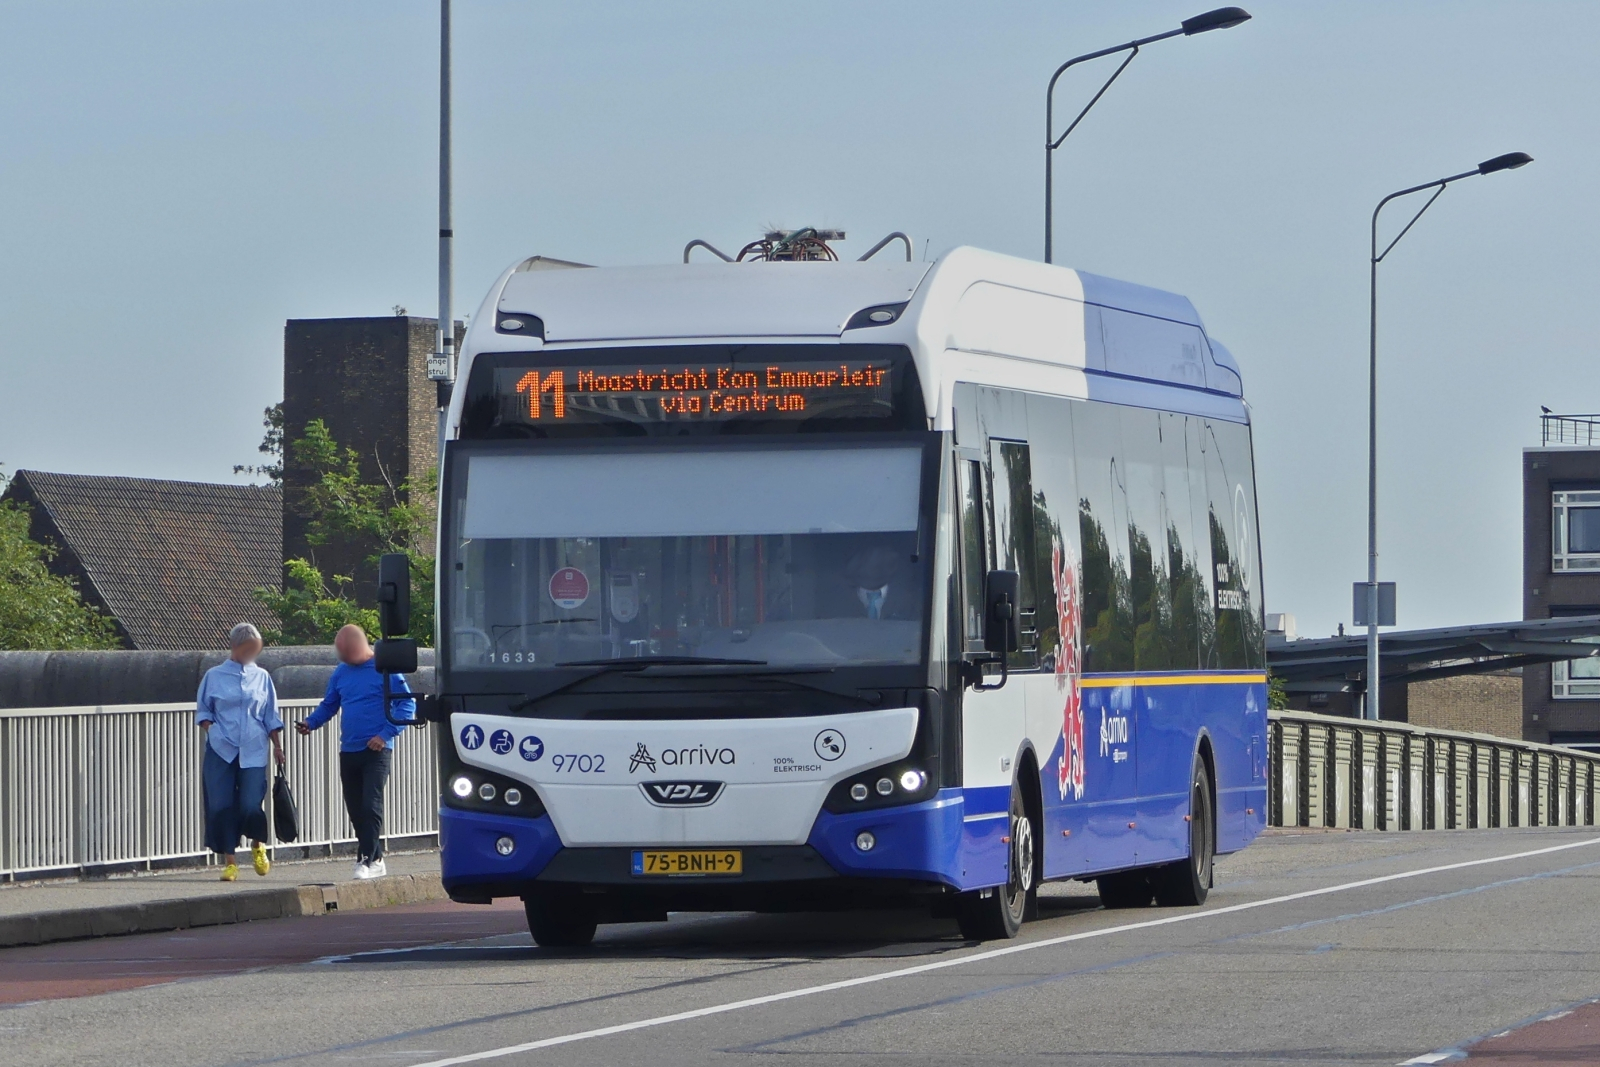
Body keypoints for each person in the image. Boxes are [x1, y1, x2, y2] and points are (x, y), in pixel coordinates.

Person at [296, 624, 415, 879]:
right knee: (355, 808)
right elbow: (329, 704)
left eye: (346, 652)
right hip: (349, 749)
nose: (344, 657)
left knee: (370, 805)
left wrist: (385, 735)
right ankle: (377, 858)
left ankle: (365, 860)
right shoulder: (341, 672)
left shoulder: (386, 670)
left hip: (376, 750)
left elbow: (407, 705)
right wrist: (310, 723)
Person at [196, 622, 285, 881]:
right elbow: (203, 711)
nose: (252, 654)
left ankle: (257, 844)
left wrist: (278, 746)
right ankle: (230, 861)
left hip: (253, 747)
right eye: (248, 649)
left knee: (250, 803)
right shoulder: (214, 676)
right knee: (220, 804)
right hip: (221, 748)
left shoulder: (263, 677)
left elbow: (270, 715)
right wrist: (211, 730)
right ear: (235, 647)